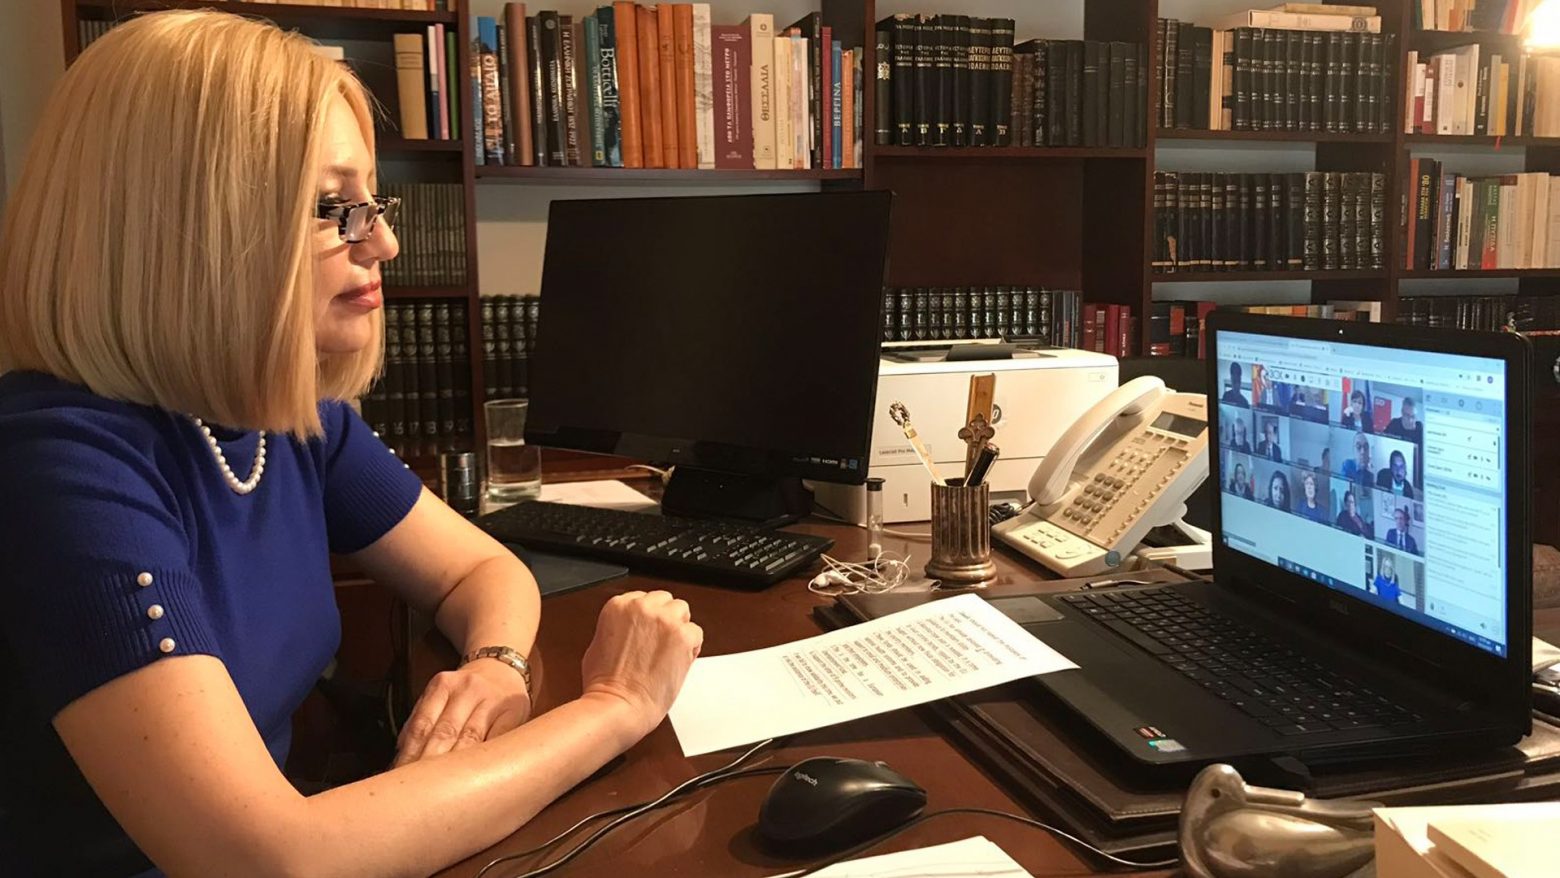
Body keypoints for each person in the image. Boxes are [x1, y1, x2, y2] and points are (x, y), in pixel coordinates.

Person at [0, 12, 704, 876]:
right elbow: (271, 859)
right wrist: (617, 704)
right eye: (334, 209)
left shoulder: (291, 420)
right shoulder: (58, 467)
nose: (385, 242)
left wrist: (496, 663)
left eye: (372, 203)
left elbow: (481, 570)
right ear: (186, 225)